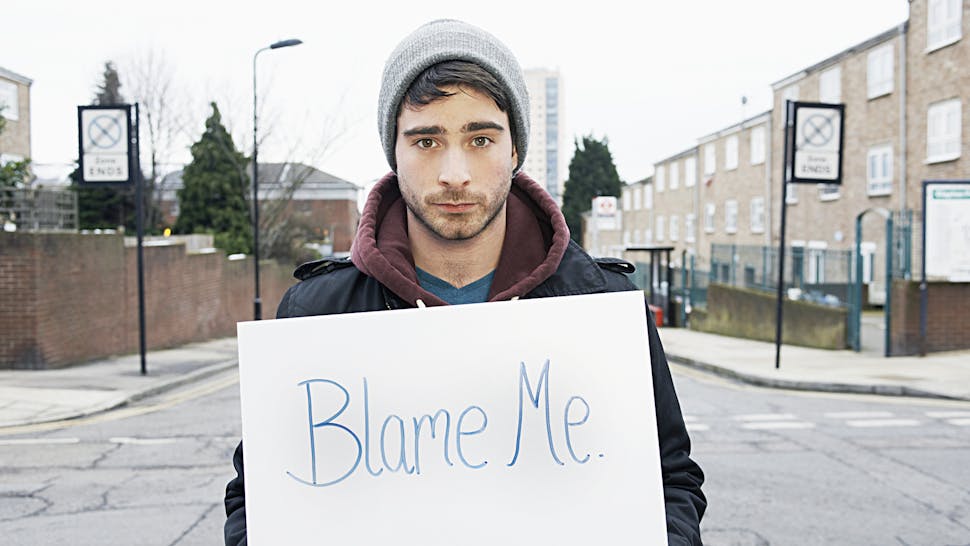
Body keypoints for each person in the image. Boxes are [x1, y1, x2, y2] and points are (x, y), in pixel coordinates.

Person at [224, 18, 705, 545]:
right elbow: (260, 502)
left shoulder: (602, 304)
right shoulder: (318, 313)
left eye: (479, 138)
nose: (455, 172)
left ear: (515, 150)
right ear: (394, 152)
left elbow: (670, 483)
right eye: (427, 141)